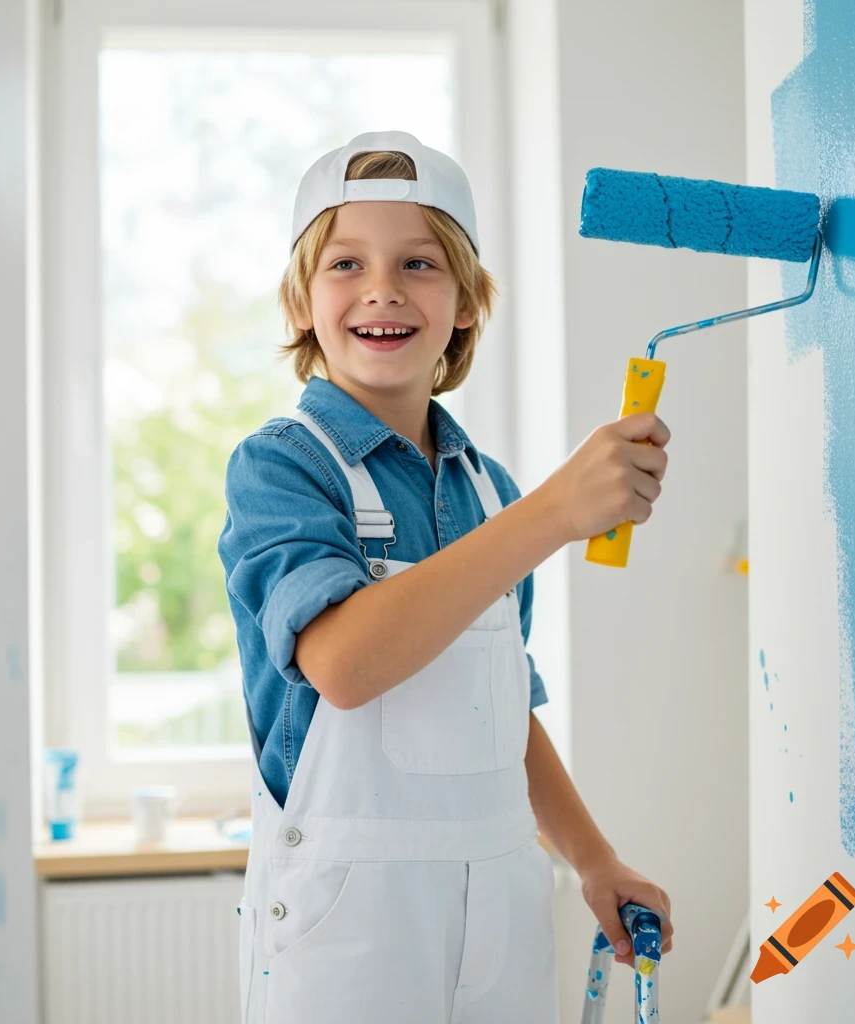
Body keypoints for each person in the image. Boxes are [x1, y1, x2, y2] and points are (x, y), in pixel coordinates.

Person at [218, 130, 674, 1024]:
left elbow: (506, 711)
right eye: (345, 263)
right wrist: (551, 514)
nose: (382, 288)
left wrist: (592, 858)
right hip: (349, 926)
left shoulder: (483, 488)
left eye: (419, 264)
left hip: (505, 908)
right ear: (301, 303)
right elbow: (346, 666)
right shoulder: (282, 468)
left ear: (466, 303)